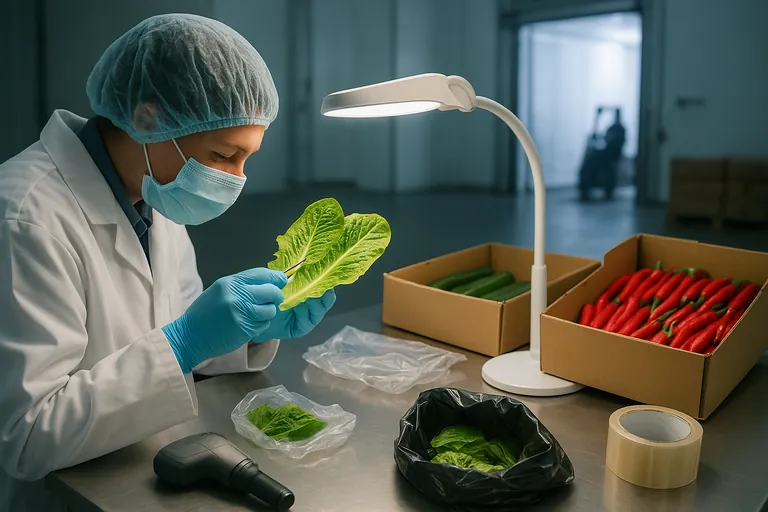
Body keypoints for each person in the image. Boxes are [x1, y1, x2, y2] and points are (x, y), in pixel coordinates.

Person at [0, 14, 336, 511]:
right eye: (224, 155)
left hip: (146, 465)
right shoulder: (25, 217)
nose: (237, 179)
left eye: (247, 158)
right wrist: (183, 343)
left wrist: (249, 329)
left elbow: (171, 329)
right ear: (148, 120)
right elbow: (28, 437)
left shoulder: (154, 188)